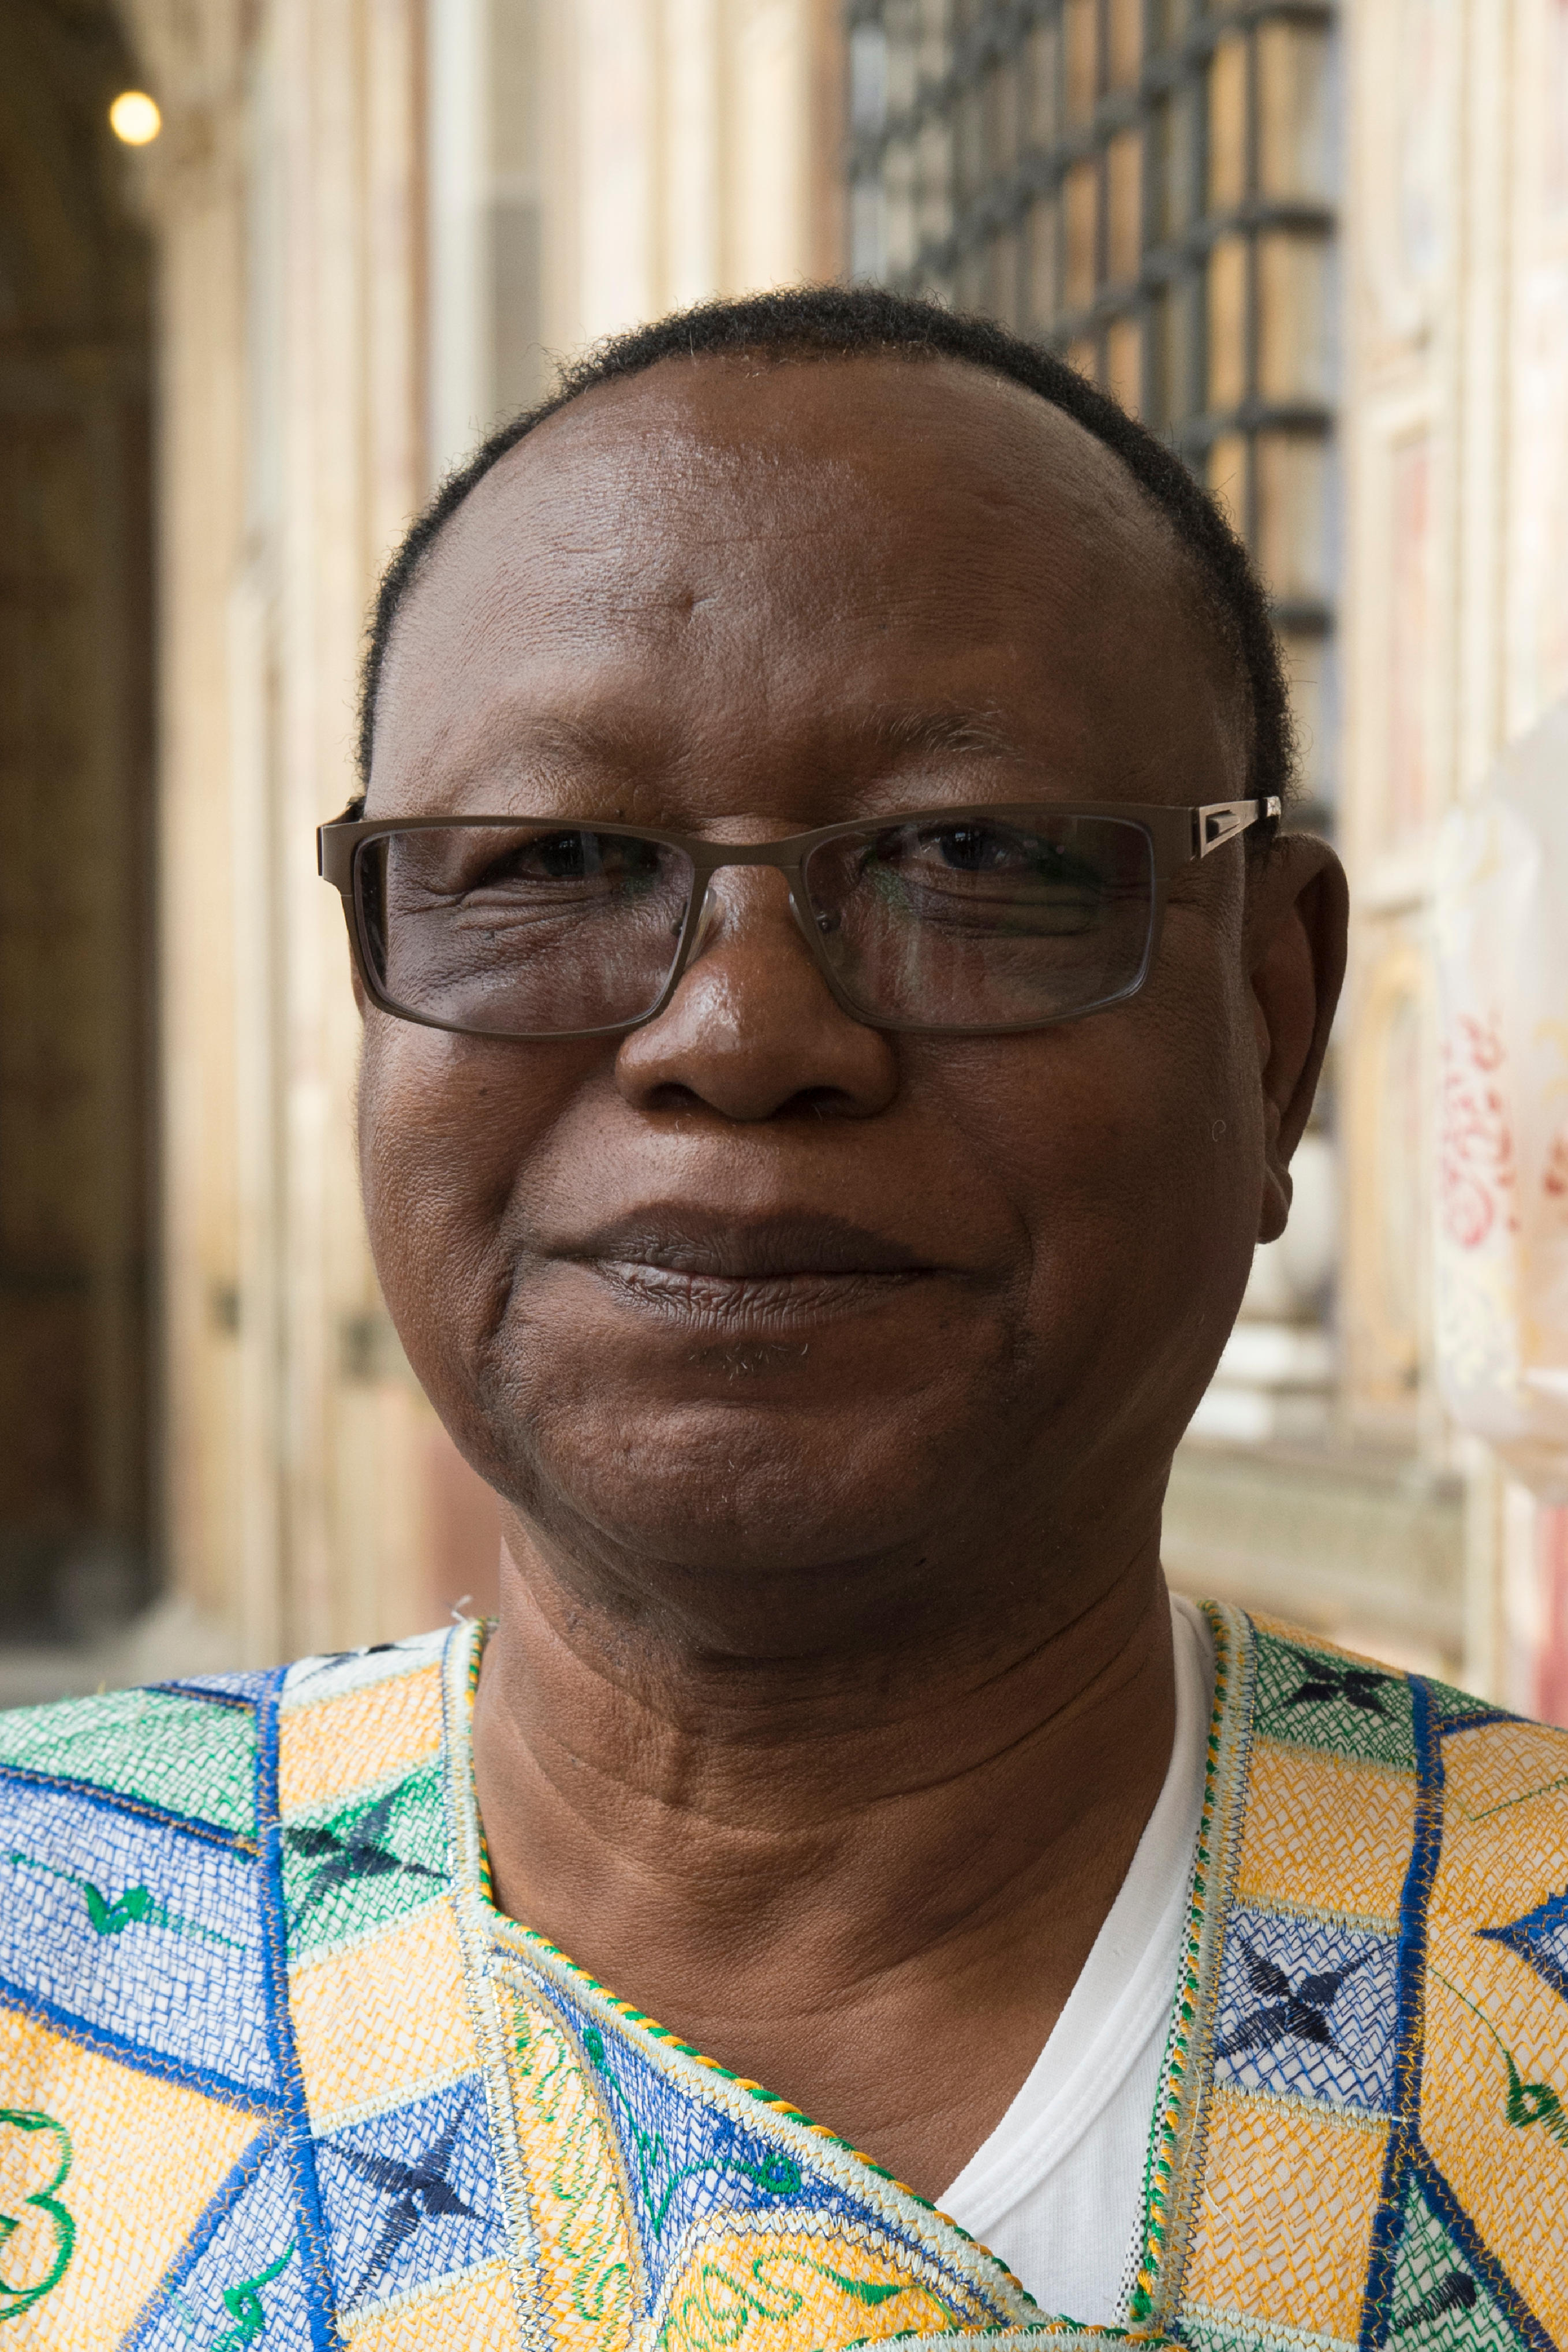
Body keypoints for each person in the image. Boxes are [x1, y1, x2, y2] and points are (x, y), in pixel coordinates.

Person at [1, 288, 1563, 2352]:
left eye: (968, 856)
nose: (738, 1034)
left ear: (1270, 1029)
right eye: (555, 858)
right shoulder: (45, 1947)